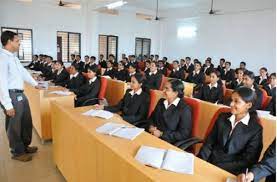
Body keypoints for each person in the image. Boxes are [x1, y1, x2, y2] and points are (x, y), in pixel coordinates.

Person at [198, 87, 263, 175]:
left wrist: (217, 168)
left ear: (249, 105)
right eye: (231, 100)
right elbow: (209, 142)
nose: (231, 104)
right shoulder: (222, 117)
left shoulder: (255, 129)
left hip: (231, 171)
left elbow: (248, 160)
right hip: (210, 162)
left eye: (236, 101)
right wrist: (200, 161)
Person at [0, 31, 41, 162]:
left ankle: (24, 145)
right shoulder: (2, 58)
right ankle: (17, 152)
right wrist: (7, 105)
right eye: (17, 41)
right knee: (15, 124)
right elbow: (1, 82)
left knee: (26, 120)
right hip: (11, 95)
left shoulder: (13, 57)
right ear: (9, 41)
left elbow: (23, 72)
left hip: (20, 94)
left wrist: (35, 84)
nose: (19, 44)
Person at [147, 79, 192, 144]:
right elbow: (152, 118)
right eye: (164, 88)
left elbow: (183, 134)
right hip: (152, 136)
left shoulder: (184, 109)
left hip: (168, 141)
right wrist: (151, 127)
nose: (163, 91)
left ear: (176, 93)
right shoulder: (161, 101)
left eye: (167, 89)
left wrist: (161, 134)